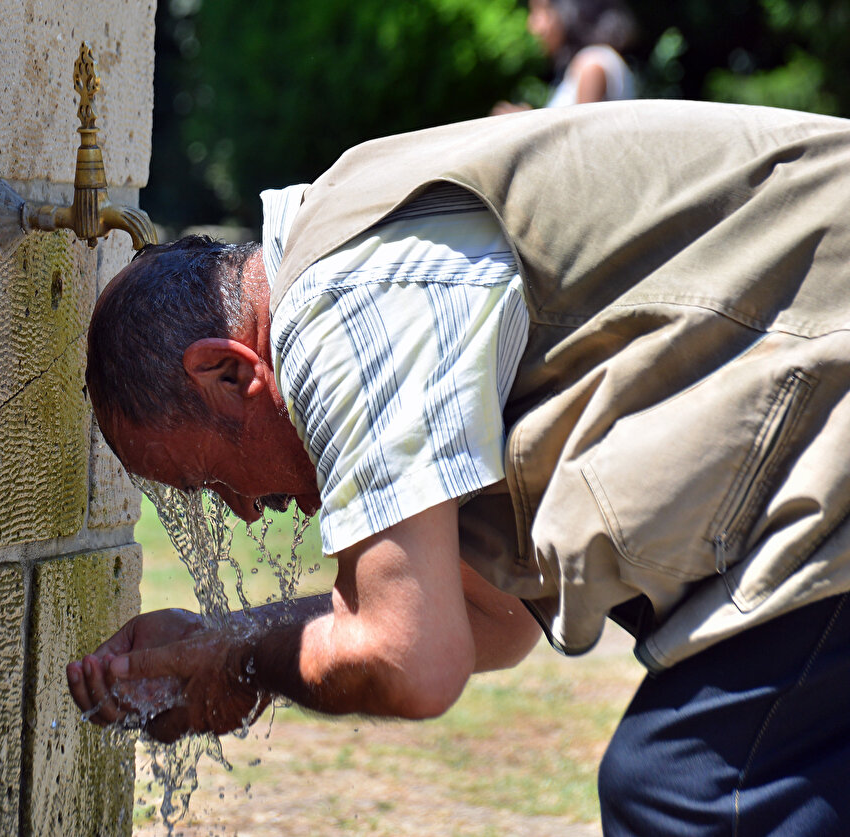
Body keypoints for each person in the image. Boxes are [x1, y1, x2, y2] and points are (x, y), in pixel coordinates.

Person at [69, 100, 850, 834]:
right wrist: (221, 638)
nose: (243, 512)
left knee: (696, 789)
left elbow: (412, 660)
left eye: (210, 480)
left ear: (231, 373)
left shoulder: (342, 309)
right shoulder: (351, 254)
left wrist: (232, 663)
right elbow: (487, 620)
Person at [493, 0, 637, 114]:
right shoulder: (590, 61)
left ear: (567, 10)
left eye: (539, 11)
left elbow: (581, 139)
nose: (532, 25)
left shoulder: (592, 66)